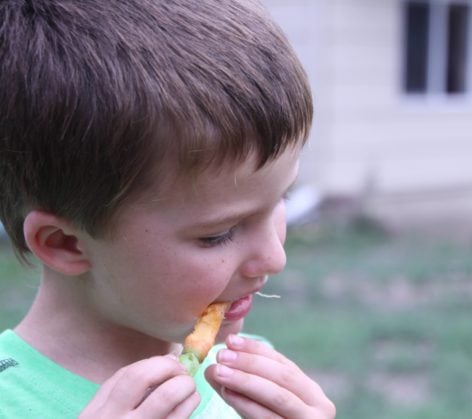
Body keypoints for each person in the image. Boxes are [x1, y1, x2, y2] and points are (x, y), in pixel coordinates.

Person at [0, 0, 336, 417]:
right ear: (66, 244)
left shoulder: (246, 378)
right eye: (218, 234)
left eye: (281, 200)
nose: (274, 257)